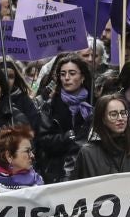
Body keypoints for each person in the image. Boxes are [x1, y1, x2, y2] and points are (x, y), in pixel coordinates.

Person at [36, 55, 96, 183]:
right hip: (59, 172)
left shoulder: (94, 104)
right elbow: (43, 140)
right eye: (63, 74)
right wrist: (66, 138)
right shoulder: (50, 106)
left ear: (82, 77)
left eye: (72, 73)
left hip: (89, 168)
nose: (67, 78)